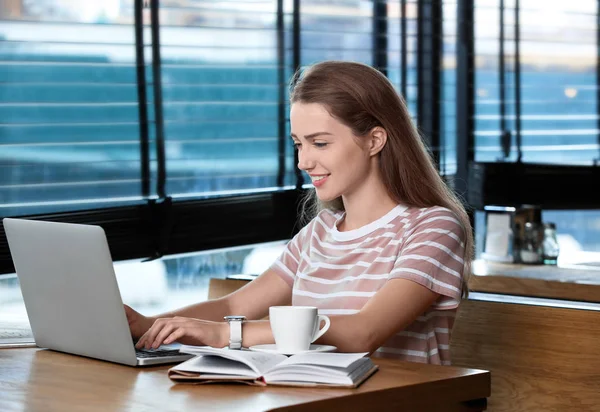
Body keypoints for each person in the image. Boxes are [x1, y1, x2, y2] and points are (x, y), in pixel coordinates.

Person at [128, 61, 473, 365]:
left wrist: (226, 336)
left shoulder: (433, 227)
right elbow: (234, 308)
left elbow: (363, 333)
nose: (303, 162)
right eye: (298, 143)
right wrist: (148, 325)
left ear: (374, 140)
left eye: (319, 143)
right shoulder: (320, 232)